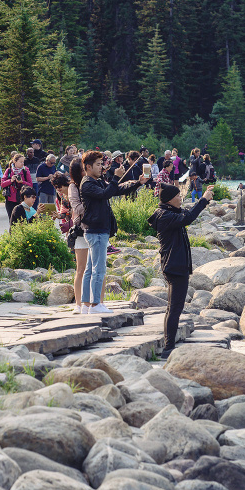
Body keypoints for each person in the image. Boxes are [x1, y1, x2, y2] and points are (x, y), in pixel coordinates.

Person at [148, 182, 214, 359]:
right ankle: (168, 348)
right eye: (177, 195)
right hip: (175, 267)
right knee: (174, 308)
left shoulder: (169, 212)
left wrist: (203, 200)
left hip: (175, 266)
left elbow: (187, 213)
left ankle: (169, 345)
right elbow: (188, 218)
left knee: (173, 307)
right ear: (170, 199)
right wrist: (203, 200)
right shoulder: (165, 216)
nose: (180, 197)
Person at [79, 151, 148, 314]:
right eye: (98, 164)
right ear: (88, 167)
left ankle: (86, 305)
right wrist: (116, 177)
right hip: (96, 231)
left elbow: (116, 190)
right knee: (98, 269)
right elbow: (106, 193)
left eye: (101, 164)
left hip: (97, 230)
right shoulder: (87, 183)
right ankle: (96, 305)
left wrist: (138, 182)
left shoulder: (95, 181)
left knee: (90, 269)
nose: (101, 167)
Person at [65, 159, 89, 314]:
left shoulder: (93, 182)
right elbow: (77, 208)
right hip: (81, 230)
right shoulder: (73, 186)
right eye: (82, 169)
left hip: (95, 229)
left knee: (95, 269)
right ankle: (78, 304)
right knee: (81, 269)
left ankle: (92, 302)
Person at [1, 153, 32, 219]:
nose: (22, 163)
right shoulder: (9, 170)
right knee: (12, 219)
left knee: (22, 219)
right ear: (15, 161)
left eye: (23, 162)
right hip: (10, 199)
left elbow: (30, 185)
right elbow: (2, 184)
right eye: (20, 162)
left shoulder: (25, 170)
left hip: (22, 199)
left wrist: (22, 182)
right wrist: (11, 180)